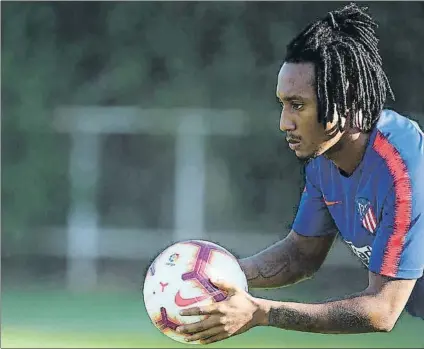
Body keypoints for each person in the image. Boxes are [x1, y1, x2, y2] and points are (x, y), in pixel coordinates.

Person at [176, 2, 424, 344]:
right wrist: (220, 274)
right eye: (282, 104)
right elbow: (300, 255)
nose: (284, 123)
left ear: (343, 99)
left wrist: (261, 312)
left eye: (298, 105)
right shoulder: (324, 160)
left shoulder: (402, 165)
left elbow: (382, 310)